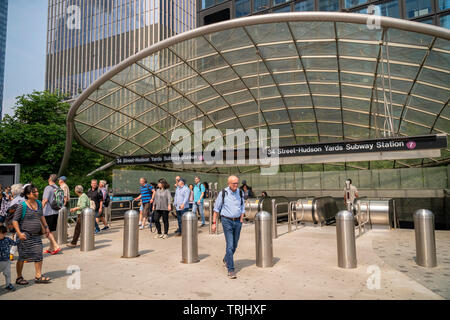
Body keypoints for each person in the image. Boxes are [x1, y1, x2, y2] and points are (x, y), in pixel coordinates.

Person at [12, 184, 52, 285]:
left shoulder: (38, 203)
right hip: (24, 235)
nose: (37, 193)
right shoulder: (22, 206)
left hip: (36, 235)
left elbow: (41, 216)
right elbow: (15, 221)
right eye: (34, 192)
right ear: (28, 194)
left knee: (39, 255)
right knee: (22, 257)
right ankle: (19, 277)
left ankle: (38, 276)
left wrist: (46, 227)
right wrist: (19, 233)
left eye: (37, 191)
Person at [212, 176, 245, 279]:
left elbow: (242, 205)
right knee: (230, 245)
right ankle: (231, 269)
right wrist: (214, 223)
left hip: (238, 221)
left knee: (235, 245)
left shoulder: (240, 192)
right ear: (229, 183)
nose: (236, 185)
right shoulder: (223, 193)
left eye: (237, 183)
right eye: (234, 183)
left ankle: (226, 258)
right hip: (227, 221)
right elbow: (216, 209)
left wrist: (242, 217)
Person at [42, 174, 62, 255]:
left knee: (47, 230)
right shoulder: (58, 188)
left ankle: (56, 246)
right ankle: (51, 248)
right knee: (52, 230)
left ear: (50, 179)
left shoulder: (48, 188)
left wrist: (40, 209)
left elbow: (45, 200)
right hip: (56, 212)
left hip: (48, 212)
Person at [4, 184, 24, 260]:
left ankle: (11, 253)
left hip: (15, 221)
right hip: (23, 221)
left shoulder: (14, 201)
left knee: (17, 237)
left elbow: (10, 213)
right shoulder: (23, 200)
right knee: (20, 237)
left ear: (14, 192)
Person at [0, 225, 17, 291]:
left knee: (8, 273)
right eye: (2, 233)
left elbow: (14, 243)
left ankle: (8, 284)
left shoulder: (7, 239)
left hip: (7, 261)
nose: (3, 235)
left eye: (4, 233)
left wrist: (20, 240)